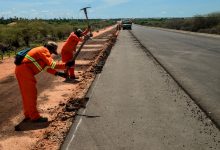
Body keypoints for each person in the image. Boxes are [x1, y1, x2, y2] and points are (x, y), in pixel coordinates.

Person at [15, 41, 74, 123]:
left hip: (21, 70)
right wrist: (66, 64)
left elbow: (46, 67)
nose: (51, 54)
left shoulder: (40, 52)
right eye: (52, 52)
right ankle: (35, 117)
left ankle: (28, 114)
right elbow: (52, 64)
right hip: (25, 71)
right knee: (31, 94)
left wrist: (58, 73)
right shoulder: (44, 50)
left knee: (27, 95)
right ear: (50, 49)